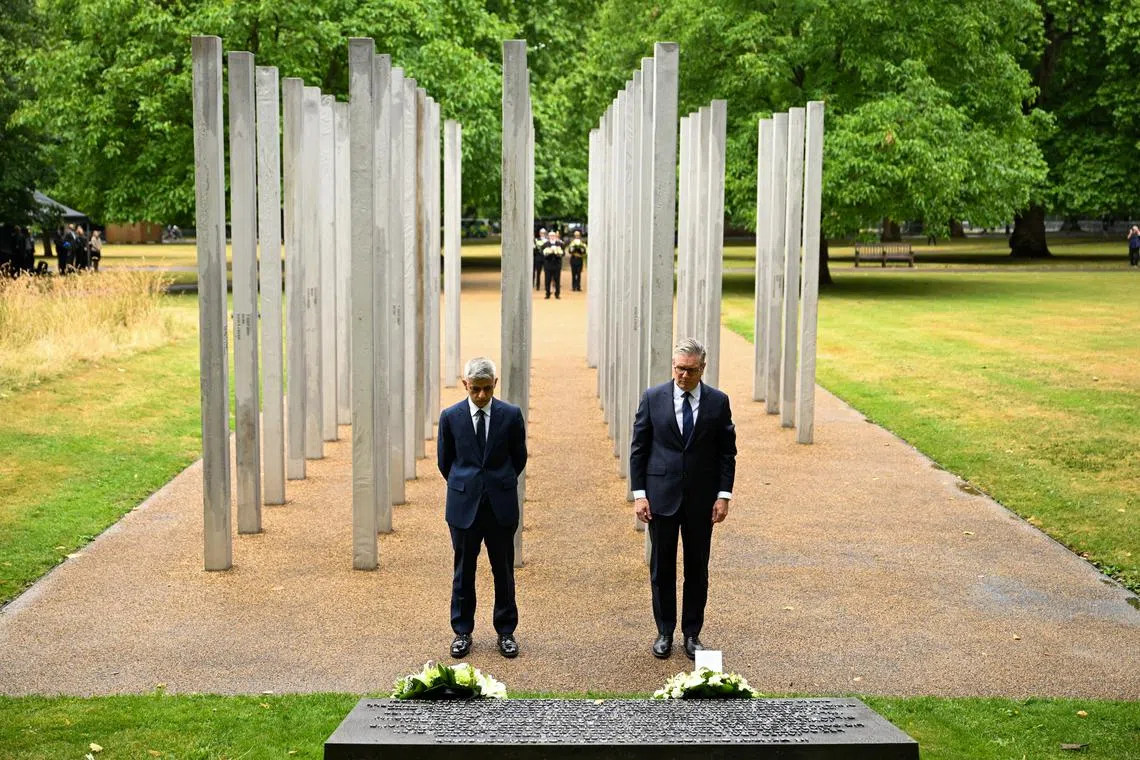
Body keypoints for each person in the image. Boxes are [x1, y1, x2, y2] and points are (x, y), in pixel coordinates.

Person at [630, 338, 736, 660]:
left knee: (697, 568)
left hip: (701, 501)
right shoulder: (652, 398)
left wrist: (723, 495)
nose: (683, 376)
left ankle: (692, 634)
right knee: (661, 568)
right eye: (678, 369)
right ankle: (664, 631)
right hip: (660, 498)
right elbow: (639, 449)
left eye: (690, 370)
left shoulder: (718, 402)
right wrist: (639, 495)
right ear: (672, 366)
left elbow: (726, 452)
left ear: (702, 369)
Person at [437, 357, 528, 659]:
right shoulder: (450, 417)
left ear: (495, 385)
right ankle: (462, 632)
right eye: (475, 389)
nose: (481, 396)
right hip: (464, 505)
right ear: (465, 385)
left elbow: (519, 458)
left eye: (487, 389)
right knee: (464, 570)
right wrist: (468, 484)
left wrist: (497, 483)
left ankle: (506, 632)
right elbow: (445, 461)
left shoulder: (511, 415)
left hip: (500, 505)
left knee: (502, 570)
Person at [542, 230, 566, 299]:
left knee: (557, 280)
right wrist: (547, 253)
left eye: (553, 236)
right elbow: (542, 253)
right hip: (548, 264)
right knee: (547, 280)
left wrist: (559, 253)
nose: (552, 237)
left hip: (557, 264)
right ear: (548, 237)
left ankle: (557, 294)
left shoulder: (560, 244)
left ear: (555, 236)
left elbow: (563, 253)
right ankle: (547, 293)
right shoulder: (545, 244)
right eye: (550, 236)